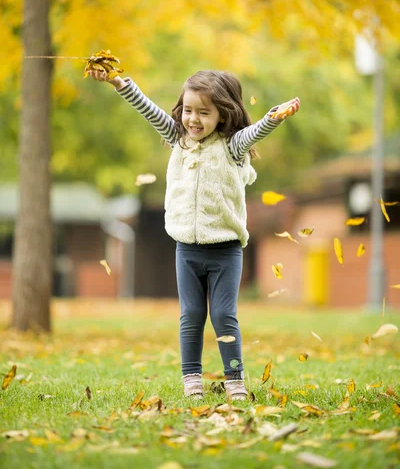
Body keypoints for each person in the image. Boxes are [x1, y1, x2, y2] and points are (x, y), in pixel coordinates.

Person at [88, 68, 300, 400]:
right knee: (192, 316)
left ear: (222, 114)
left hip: (226, 250)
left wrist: (275, 116)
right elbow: (148, 109)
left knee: (223, 315)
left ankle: (234, 381)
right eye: (188, 110)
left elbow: (256, 132)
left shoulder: (231, 146)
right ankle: (192, 381)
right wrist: (119, 82)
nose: (193, 119)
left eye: (204, 112)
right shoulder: (179, 140)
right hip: (186, 250)